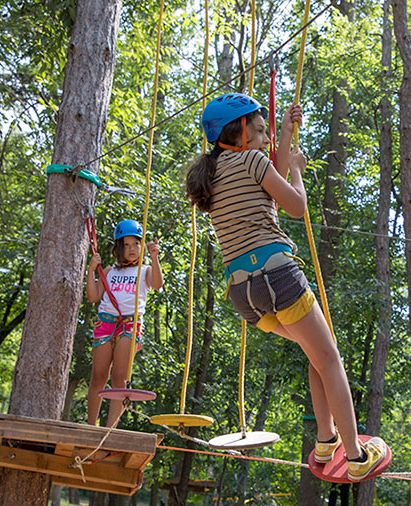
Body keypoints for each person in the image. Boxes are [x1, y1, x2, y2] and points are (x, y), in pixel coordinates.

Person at [186, 93, 389, 482]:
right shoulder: (250, 159)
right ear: (240, 132)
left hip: (244, 292)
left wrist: (285, 129)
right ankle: (356, 454)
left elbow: (265, 180)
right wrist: (295, 167)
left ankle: (326, 441)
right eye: (260, 132)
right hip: (276, 276)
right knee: (331, 359)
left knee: (316, 355)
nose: (265, 139)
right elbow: (294, 205)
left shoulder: (213, 175)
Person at [86, 219, 163, 427]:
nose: (132, 249)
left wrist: (155, 258)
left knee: (119, 379)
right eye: (127, 245)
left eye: (136, 244)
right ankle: (91, 426)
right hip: (106, 322)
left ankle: (110, 430)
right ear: (119, 247)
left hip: (129, 324)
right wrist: (91, 270)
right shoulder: (110, 271)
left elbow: (157, 284)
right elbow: (93, 297)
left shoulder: (145, 270)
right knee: (98, 377)